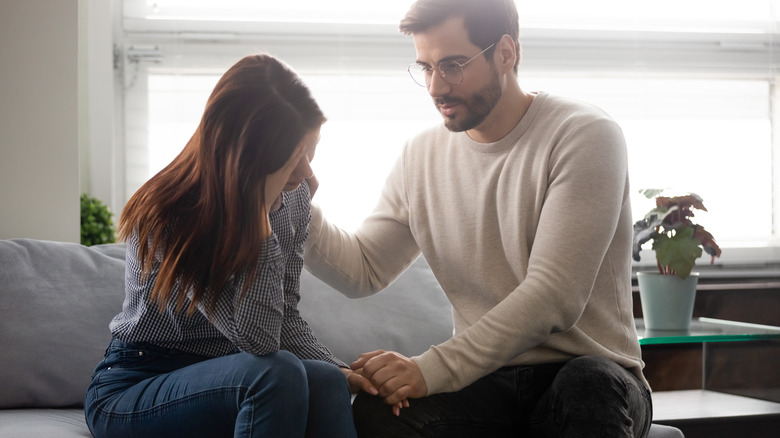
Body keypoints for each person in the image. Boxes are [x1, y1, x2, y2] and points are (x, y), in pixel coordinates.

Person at [303, 0, 653, 436]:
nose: (436, 87)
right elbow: (364, 269)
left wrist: (429, 369)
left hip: (593, 374)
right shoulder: (420, 156)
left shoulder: (584, 134)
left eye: (453, 66)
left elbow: (554, 295)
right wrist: (291, 197)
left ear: (505, 52)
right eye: (426, 68)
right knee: (380, 412)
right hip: (488, 382)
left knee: (586, 385)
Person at [84, 53, 363, 438]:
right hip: (137, 382)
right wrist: (259, 222)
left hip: (230, 378)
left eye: (310, 153)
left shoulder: (294, 199)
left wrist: (341, 369)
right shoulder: (170, 214)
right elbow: (259, 341)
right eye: (293, 159)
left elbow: (284, 319)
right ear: (246, 159)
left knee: (327, 381)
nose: (307, 174)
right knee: (275, 373)